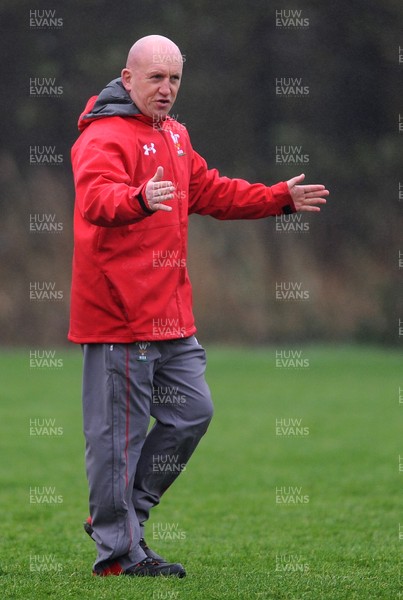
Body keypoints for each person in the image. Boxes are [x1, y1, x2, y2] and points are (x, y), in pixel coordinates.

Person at [69, 34, 329, 578]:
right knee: (118, 437)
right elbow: (95, 200)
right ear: (127, 77)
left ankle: (121, 517)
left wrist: (278, 197)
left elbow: (213, 191)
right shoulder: (103, 136)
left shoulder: (177, 136)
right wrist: (140, 199)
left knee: (192, 413)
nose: (166, 89)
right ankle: (119, 555)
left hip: (171, 318)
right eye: (155, 78)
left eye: (174, 79)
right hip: (119, 318)